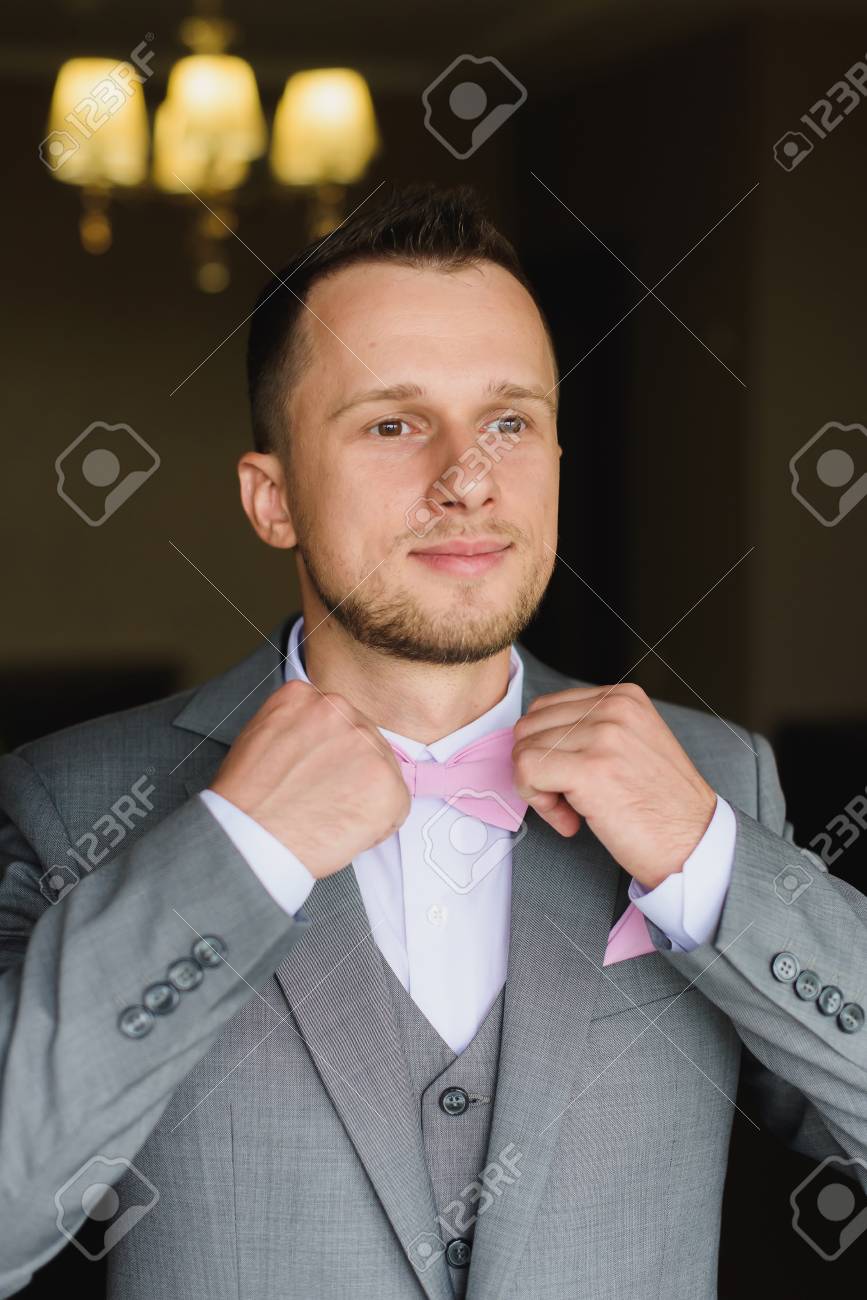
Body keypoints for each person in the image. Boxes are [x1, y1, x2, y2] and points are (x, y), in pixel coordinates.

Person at [1, 182, 865, 1300]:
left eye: (510, 421)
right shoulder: (73, 799)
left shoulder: (718, 780)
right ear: (273, 500)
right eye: (393, 423)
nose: (466, 477)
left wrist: (713, 865)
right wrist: (233, 856)